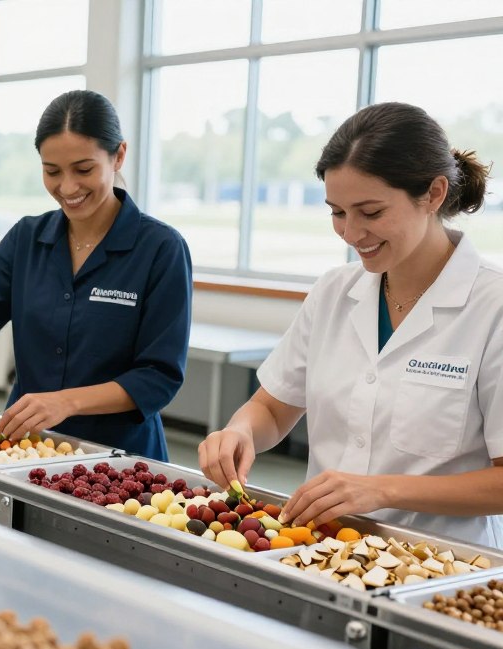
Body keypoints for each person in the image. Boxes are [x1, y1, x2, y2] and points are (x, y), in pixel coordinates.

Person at [199, 102, 502, 546]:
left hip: (436, 563)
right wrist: (238, 431)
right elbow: (272, 408)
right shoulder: (334, 292)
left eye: (371, 212)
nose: (350, 232)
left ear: (434, 194)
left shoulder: (492, 307)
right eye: (337, 212)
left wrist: (380, 488)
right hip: (321, 550)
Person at [0, 90, 191, 460]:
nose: (67, 188)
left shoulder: (160, 249)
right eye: (52, 171)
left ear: (118, 155)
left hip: (120, 461)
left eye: (84, 170)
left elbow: (158, 376)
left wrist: (66, 402)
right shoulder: (27, 238)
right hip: (22, 450)